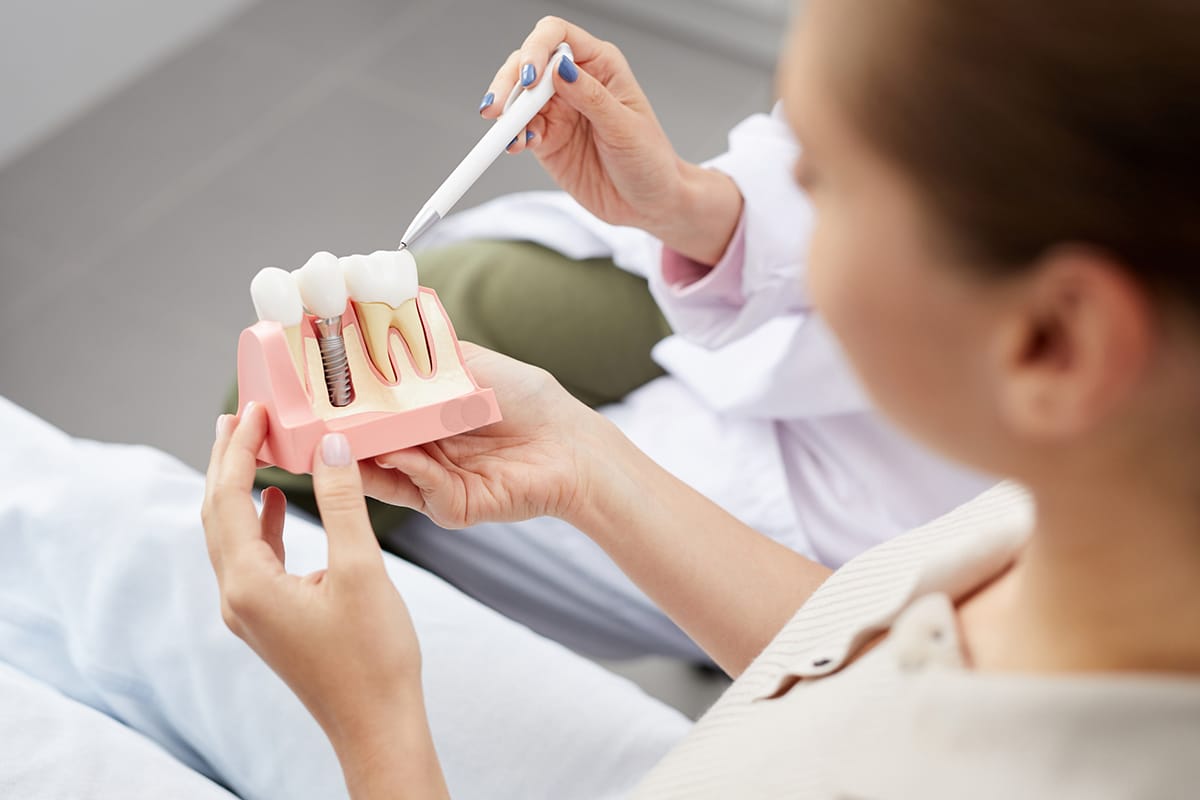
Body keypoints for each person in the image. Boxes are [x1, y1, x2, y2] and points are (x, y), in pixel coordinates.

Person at [203, 3, 1200, 798]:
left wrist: (379, 733)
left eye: (823, 180)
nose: (786, 200)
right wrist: (586, 463)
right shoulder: (1077, 530)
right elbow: (862, 649)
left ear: (1053, 341)